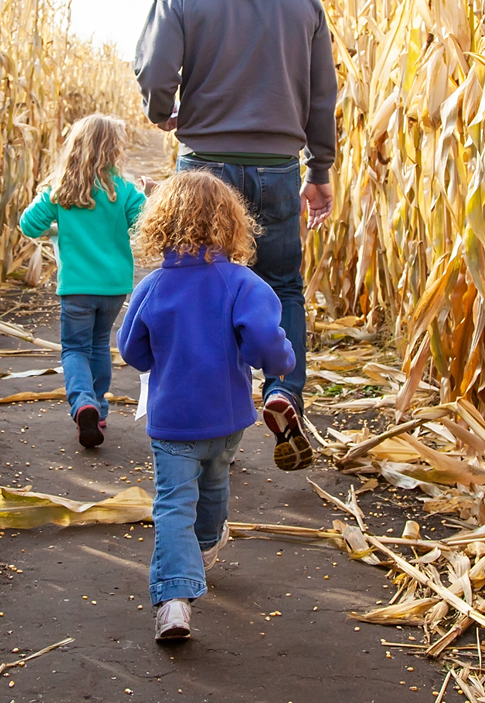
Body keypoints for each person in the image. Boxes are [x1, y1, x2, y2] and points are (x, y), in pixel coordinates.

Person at [134, 0, 337, 471]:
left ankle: (198, 424)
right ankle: (282, 390)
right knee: (281, 285)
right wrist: (319, 170)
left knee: (193, 286)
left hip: (203, 166)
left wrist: (160, 110)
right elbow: (323, 94)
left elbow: (154, 69)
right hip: (278, 166)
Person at [118, 171, 298, 642]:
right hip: (227, 418)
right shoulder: (243, 283)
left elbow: (131, 351)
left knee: (174, 503)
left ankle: (175, 599)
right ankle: (202, 550)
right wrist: (280, 363)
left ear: (162, 225)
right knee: (215, 483)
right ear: (231, 224)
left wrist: (162, 351)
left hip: (173, 420)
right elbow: (266, 343)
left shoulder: (153, 287)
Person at [18, 114, 147, 448]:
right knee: (99, 343)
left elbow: (28, 226)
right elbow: (144, 225)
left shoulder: (61, 189)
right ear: (114, 149)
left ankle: (83, 403)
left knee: (75, 348)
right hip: (115, 285)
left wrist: (57, 227)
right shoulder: (124, 189)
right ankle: (99, 409)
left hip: (76, 285)